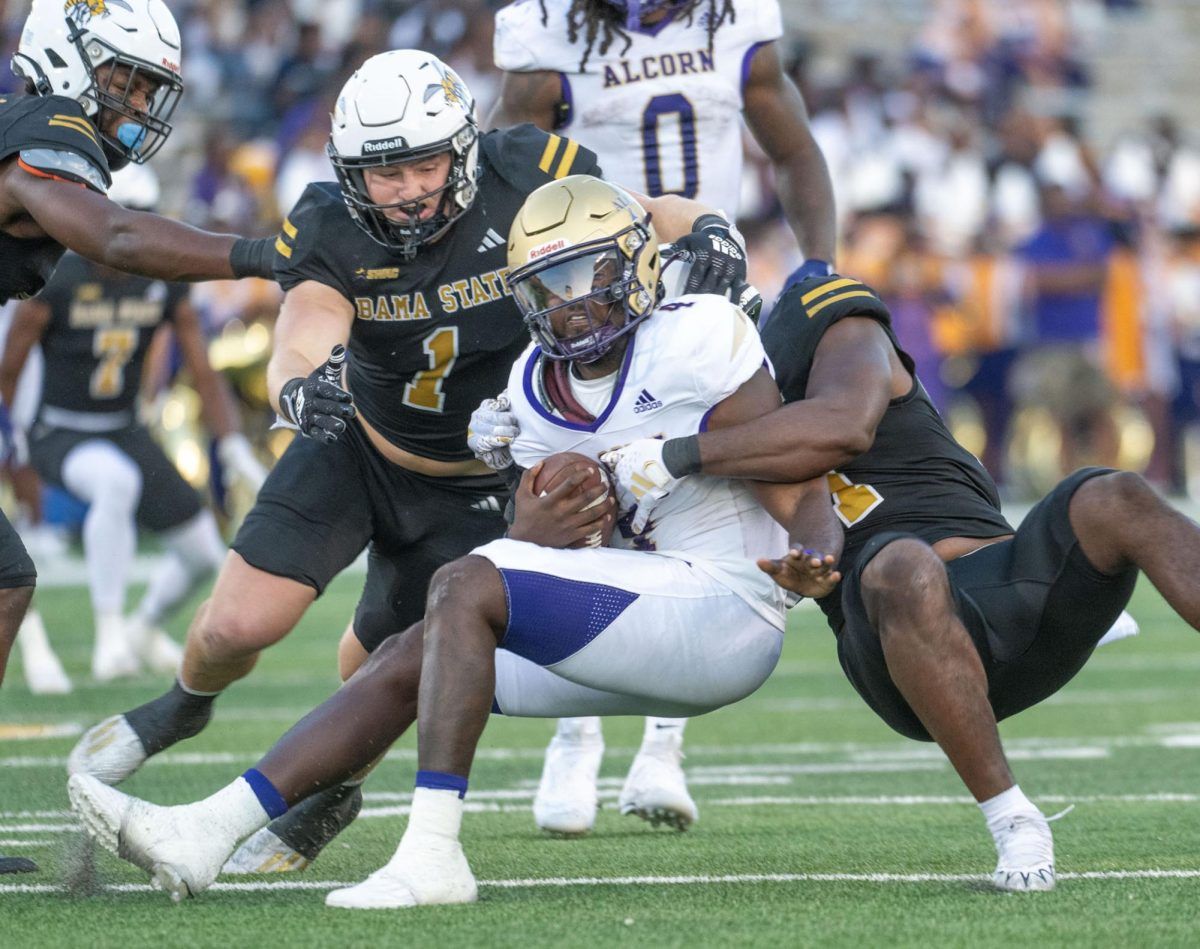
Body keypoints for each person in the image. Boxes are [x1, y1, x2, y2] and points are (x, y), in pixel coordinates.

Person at [66, 50, 753, 877]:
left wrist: (709, 222)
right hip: (363, 445)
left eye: (424, 162)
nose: (407, 188)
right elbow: (304, 324)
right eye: (382, 172)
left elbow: (640, 216)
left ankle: (329, 795)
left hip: (481, 480)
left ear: (463, 148)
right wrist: (297, 390)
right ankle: (184, 705)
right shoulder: (328, 219)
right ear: (351, 172)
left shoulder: (528, 168)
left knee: (374, 673)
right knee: (232, 626)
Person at [590, 272, 1191, 891]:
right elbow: (810, 519)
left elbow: (842, 425)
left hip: (1014, 594)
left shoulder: (826, 329)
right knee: (902, 563)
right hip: (896, 639)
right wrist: (812, 569)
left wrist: (673, 456)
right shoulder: (703, 420)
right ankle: (1014, 821)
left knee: (1114, 494)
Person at [489, 0, 839, 836]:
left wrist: (820, 262)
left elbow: (792, 147)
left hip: (703, 280)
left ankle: (663, 746)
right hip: (581, 287)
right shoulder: (547, 29)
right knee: (577, 493)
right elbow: (508, 166)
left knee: (712, 504)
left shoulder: (736, 21)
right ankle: (573, 737)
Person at [0, 0, 274, 876]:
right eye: (124, 79)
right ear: (67, 57)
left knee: (7, 579)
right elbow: (113, 237)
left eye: (145, 85)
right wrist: (265, 254)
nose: (135, 102)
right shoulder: (43, 124)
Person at [0, 165, 267, 683]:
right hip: (59, 428)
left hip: (124, 426)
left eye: (144, 217)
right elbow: (9, 372)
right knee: (114, 483)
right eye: (128, 218)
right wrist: (11, 444)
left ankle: (142, 628)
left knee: (201, 552)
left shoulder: (161, 284)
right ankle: (110, 636)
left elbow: (202, 368)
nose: (138, 230)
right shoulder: (55, 278)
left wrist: (233, 444)